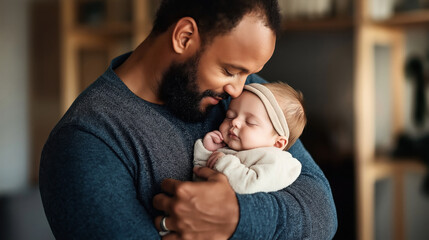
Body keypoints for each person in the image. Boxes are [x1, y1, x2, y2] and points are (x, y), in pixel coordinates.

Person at [39, 0, 338, 239]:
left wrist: (237, 217)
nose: (238, 88)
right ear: (184, 37)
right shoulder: (86, 142)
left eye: (247, 73)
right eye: (230, 70)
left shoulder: (247, 99)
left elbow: (323, 214)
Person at [194, 82, 305, 194]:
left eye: (250, 122)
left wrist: (222, 161)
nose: (234, 122)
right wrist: (208, 151)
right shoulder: (228, 150)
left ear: (278, 143)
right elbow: (198, 175)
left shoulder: (279, 162)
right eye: (230, 116)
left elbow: (249, 185)